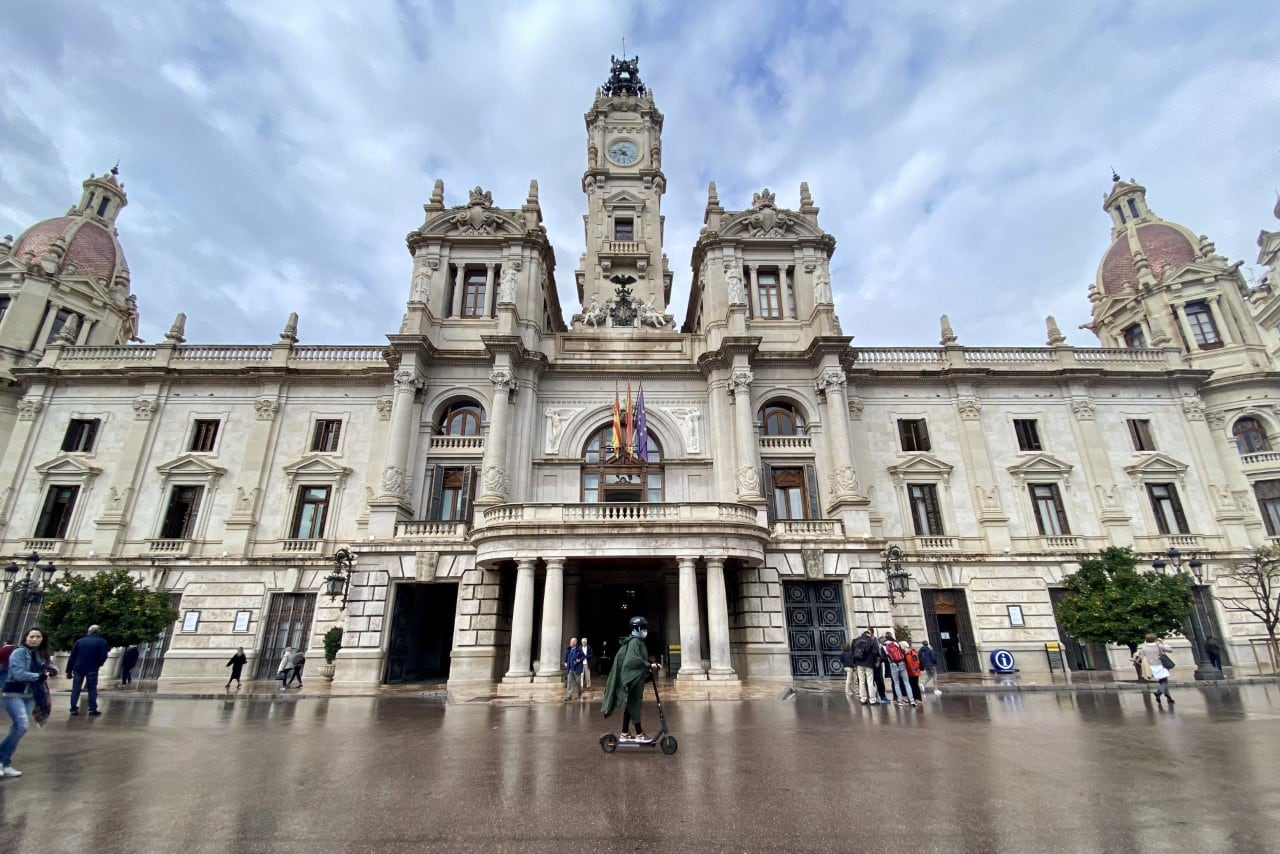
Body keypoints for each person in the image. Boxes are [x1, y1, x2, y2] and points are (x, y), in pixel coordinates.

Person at [1, 627, 54, 777]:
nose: (35, 639)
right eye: (32, 636)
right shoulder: (19, 652)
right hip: (14, 693)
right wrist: (39, 676)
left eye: (38, 637)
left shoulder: (41, 655)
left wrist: (51, 670)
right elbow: (18, 673)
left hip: (31, 695)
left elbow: (47, 667)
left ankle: (5, 763)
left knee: (18, 728)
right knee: (22, 725)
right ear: (26, 638)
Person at [601, 616, 661, 742]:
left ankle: (624, 732)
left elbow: (640, 658)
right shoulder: (634, 642)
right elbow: (632, 661)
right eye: (644, 628)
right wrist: (649, 665)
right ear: (637, 628)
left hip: (636, 679)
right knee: (634, 705)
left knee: (631, 706)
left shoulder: (637, 641)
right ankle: (639, 734)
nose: (646, 630)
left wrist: (651, 664)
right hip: (633, 680)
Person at [67, 625, 110, 716]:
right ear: (98, 631)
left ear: (88, 631)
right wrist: (98, 663)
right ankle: (92, 709)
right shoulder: (102, 642)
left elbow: (72, 657)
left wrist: (69, 670)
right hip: (92, 668)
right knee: (92, 688)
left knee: (76, 688)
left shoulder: (80, 641)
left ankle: (73, 709)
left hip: (78, 668)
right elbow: (104, 656)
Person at [1134, 633, 1176, 707]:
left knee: (1162, 682)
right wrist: (1162, 643)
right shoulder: (1158, 645)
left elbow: (1141, 656)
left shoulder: (1144, 647)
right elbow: (1170, 650)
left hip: (1151, 667)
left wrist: (1136, 662)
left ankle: (1169, 698)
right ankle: (1158, 692)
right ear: (1155, 639)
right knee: (1164, 682)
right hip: (1160, 665)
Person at [883, 632, 916, 706]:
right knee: (906, 682)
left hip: (893, 664)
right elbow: (903, 652)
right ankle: (912, 700)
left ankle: (900, 700)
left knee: (896, 683)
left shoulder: (884, 646)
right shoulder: (896, 643)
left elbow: (883, 657)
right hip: (901, 663)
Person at [849, 628, 880, 705]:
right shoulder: (871, 641)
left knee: (861, 682)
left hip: (859, 663)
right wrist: (876, 661)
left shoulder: (856, 641)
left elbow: (853, 652)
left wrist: (854, 663)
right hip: (869, 664)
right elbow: (875, 652)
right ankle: (872, 699)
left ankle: (863, 699)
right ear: (869, 634)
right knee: (870, 681)